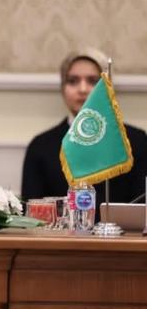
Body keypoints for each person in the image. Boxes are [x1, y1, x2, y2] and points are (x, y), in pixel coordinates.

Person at [21, 48, 147, 205]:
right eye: (73, 81)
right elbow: (31, 211)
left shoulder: (136, 141)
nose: (83, 89)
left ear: (108, 88)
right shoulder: (40, 146)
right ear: (62, 88)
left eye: (93, 81)